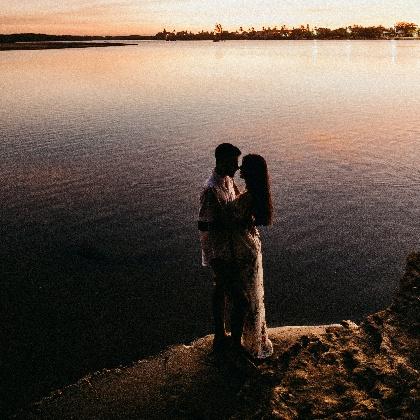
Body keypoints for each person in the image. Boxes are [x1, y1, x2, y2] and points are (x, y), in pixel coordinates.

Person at [227, 154, 273, 359]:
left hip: (244, 248)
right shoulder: (255, 194)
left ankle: (251, 345)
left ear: (250, 172)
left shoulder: (247, 198)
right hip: (252, 245)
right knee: (254, 294)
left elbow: (230, 217)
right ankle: (256, 339)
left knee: (247, 296)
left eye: (243, 166)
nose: (239, 168)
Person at [198, 143, 243, 352]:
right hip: (218, 250)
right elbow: (203, 225)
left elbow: (239, 203)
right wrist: (230, 223)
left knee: (221, 289)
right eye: (234, 163)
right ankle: (229, 341)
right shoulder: (210, 190)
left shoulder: (229, 181)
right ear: (222, 161)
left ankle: (220, 335)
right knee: (233, 294)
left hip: (231, 247)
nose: (237, 168)